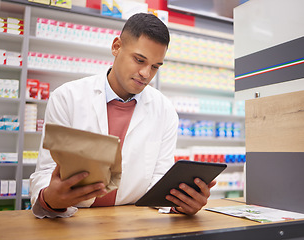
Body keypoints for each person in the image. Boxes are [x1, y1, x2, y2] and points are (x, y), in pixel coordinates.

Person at [30, 13, 216, 218]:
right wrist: (50, 199)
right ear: (116, 47)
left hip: (133, 222)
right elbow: (46, 172)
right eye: (139, 60)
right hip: (74, 221)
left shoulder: (165, 110)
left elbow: (159, 179)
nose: (146, 73)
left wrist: (179, 203)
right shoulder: (67, 97)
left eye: (155, 66)